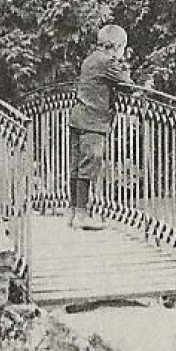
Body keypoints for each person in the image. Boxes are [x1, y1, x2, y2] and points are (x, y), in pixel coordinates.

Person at [68, 24, 130, 230]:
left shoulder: (91, 58)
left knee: (77, 166)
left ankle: (74, 211)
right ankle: (81, 216)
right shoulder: (107, 62)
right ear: (118, 46)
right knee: (89, 166)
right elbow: (127, 85)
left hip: (78, 118)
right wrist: (123, 65)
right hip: (93, 121)